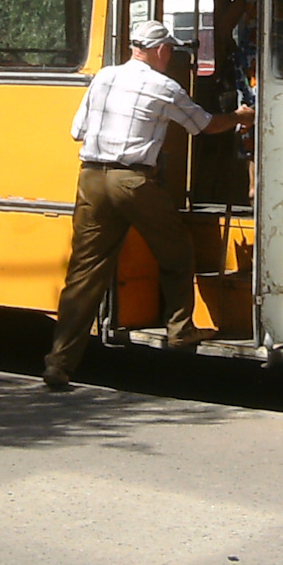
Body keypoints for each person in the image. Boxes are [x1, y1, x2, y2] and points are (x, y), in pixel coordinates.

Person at [44, 19, 253, 391]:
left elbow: (77, 131)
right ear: (159, 50)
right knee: (176, 248)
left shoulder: (104, 77)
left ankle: (59, 363)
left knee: (84, 273)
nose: (170, 55)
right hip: (134, 182)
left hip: (91, 177)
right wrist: (239, 118)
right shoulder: (164, 86)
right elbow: (203, 125)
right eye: (169, 49)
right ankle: (179, 330)